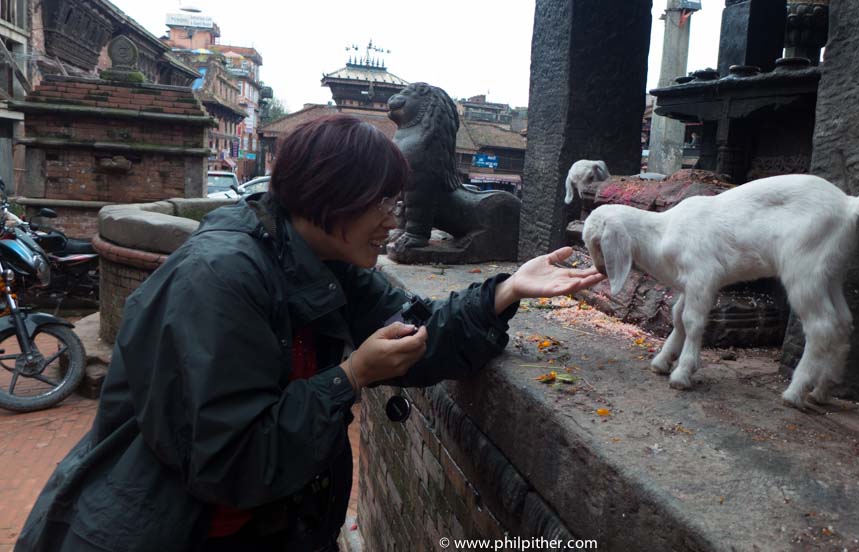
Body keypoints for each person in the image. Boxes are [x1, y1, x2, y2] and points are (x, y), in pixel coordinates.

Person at [16, 115, 604, 552]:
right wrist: (350, 376)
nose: (393, 221)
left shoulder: (324, 265)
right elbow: (232, 459)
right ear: (333, 197)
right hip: (173, 530)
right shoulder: (219, 279)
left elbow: (416, 335)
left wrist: (505, 292)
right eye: (382, 202)